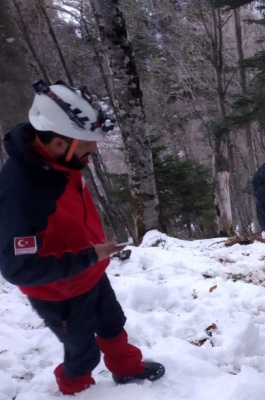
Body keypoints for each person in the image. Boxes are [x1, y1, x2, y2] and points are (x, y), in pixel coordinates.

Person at [0, 80, 165, 395]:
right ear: (60, 142)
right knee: (83, 352)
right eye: (87, 142)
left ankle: (127, 369)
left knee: (113, 324)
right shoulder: (21, 193)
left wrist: (93, 254)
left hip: (91, 272)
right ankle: (75, 387)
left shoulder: (57, 162)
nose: (95, 149)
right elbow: (17, 269)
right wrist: (89, 256)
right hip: (59, 295)